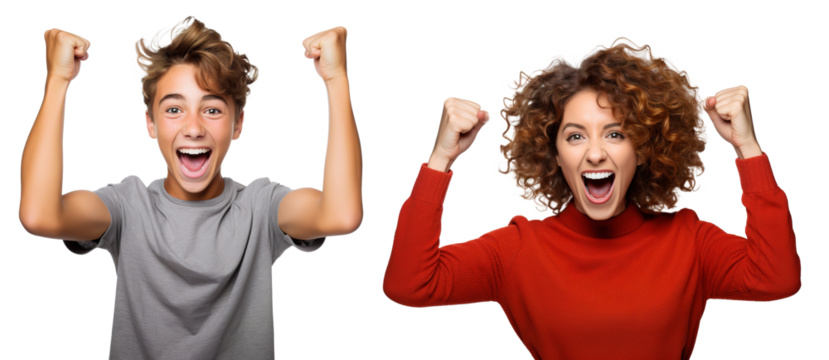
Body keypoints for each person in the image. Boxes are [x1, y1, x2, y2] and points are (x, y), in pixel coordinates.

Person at [381, 37, 801, 359]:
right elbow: (410, 285)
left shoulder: (690, 242)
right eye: (575, 135)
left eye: (615, 134)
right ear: (554, 153)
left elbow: (776, 278)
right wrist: (441, 159)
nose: (595, 152)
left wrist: (747, 148)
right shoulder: (517, 249)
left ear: (643, 148)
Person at [18, 15, 363, 359]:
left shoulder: (261, 206)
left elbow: (341, 215)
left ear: (238, 123)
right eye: (174, 109)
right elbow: (40, 216)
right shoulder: (128, 204)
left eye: (212, 109)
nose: (193, 128)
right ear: (149, 123)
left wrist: (336, 79)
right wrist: (58, 80)